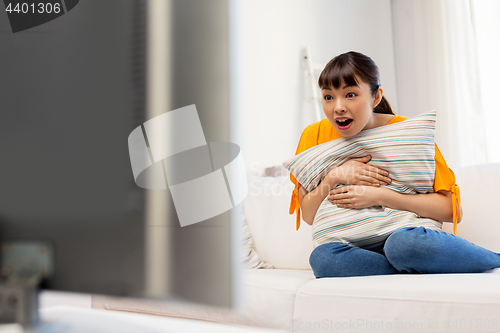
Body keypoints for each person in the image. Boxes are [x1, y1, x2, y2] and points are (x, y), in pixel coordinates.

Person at [289, 51, 500, 278]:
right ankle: (405, 266)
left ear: (376, 97)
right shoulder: (314, 135)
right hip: (351, 246)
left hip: (402, 235)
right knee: (322, 259)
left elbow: (452, 211)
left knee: (402, 246)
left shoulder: (409, 133)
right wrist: (335, 176)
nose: (337, 107)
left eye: (350, 94)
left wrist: (379, 196)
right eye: (328, 97)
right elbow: (309, 215)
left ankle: (492, 259)